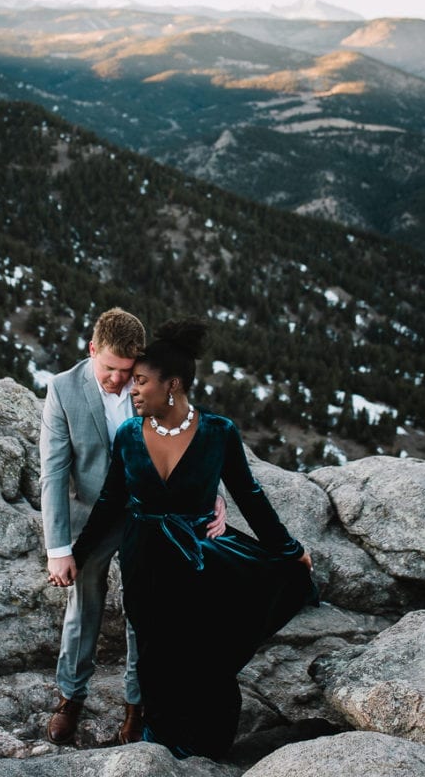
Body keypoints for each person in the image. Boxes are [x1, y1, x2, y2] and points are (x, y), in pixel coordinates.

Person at [67, 317, 318, 761]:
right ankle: (159, 741)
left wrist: (290, 551)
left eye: (141, 381)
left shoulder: (218, 432)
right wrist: (79, 554)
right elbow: (109, 502)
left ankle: (207, 744)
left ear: (173, 385)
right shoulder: (128, 435)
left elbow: (250, 496)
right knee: (153, 654)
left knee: (200, 654)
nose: (132, 390)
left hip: (196, 560)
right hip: (143, 558)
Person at [39, 308, 227, 745]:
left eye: (127, 371)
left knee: (144, 610)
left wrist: (211, 493)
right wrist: (58, 549)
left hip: (149, 513)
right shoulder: (63, 389)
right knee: (83, 605)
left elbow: (188, 434)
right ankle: (70, 697)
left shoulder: (151, 381)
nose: (118, 379)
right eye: (110, 368)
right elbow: (53, 471)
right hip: (92, 517)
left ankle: (136, 706)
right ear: (92, 350)